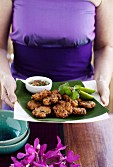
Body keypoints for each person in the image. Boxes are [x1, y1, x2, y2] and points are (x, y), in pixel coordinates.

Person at [0, 0, 113, 147]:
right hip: (20, 98)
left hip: (79, 102)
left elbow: (105, 46)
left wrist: (102, 80)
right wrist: (5, 76)